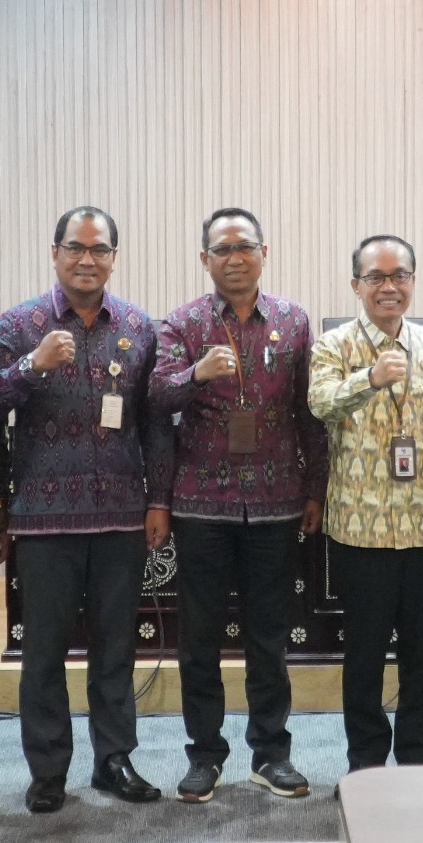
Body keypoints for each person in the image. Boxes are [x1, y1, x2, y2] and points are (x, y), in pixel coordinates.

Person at [0, 207, 173, 813]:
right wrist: (30, 366)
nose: (87, 260)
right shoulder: (20, 324)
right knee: (44, 653)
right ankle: (48, 770)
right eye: (76, 248)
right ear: (55, 252)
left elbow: (156, 421)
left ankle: (114, 760)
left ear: (114, 257)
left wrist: (159, 499)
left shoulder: (138, 327)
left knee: (116, 650)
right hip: (43, 521)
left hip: (121, 516)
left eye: (99, 249)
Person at [149, 207, 326, 804]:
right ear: (205, 259)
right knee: (198, 639)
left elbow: (309, 413)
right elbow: (155, 397)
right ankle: (204, 755)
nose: (234, 258)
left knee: (268, 638)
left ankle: (271, 753)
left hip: (276, 502)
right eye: (222, 249)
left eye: (244, 246)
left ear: (263, 252)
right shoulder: (182, 323)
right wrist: (197, 374)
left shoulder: (294, 321)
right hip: (201, 505)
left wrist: (316, 488)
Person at [311, 234, 423, 772]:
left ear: (413, 282)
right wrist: (370, 378)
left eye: (400, 276)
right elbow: (320, 403)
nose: (389, 287)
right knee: (365, 653)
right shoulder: (334, 346)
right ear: (356, 285)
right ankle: (367, 763)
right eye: (376, 277)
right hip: (360, 529)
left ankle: (417, 757)